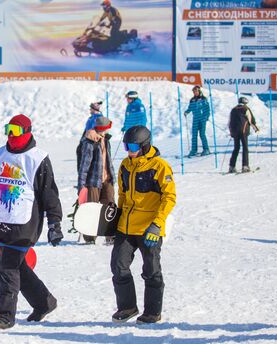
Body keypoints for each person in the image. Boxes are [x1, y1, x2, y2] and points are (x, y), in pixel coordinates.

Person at [0, 114, 63, 330]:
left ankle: (4, 316)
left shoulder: (37, 158)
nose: (11, 135)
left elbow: (49, 194)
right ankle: (44, 302)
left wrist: (55, 224)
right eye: (8, 129)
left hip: (24, 224)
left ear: (27, 132)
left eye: (16, 130)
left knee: (7, 268)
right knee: (17, 267)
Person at [111, 126, 176, 324]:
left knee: (151, 270)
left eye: (132, 146)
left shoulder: (159, 167)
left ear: (145, 145)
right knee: (118, 266)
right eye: (126, 146)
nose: (129, 151)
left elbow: (169, 197)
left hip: (149, 229)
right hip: (126, 227)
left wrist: (157, 225)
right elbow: (122, 195)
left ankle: (152, 312)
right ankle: (128, 307)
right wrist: (116, 219)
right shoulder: (125, 165)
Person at [78, 116, 115, 245]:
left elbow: (108, 160)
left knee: (109, 207)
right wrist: (82, 184)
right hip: (93, 181)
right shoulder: (89, 143)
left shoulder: (106, 140)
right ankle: (89, 238)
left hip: (107, 179)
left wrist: (112, 176)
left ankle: (110, 236)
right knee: (92, 209)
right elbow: (84, 165)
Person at [228, 97, 259, 173]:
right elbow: (251, 120)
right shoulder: (246, 108)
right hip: (243, 131)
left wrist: (231, 132)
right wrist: (256, 129)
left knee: (236, 148)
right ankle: (245, 166)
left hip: (235, 132)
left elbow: (229, 122)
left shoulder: (233, 109)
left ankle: (231, 166)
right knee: (245, 148)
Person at [184, 85, 211, 157]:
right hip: (195, 119)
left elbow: (207, 109)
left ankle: (206, 149)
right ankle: (194, 150)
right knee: (194, 135)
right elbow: (190, 108)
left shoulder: (203, 99)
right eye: (194, 91)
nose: (195, 93)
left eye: (196, 91)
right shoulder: (192, 100)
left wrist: (206, 116)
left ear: (199, 91)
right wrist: (187, 112)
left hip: (202, 118)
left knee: (202, 134)